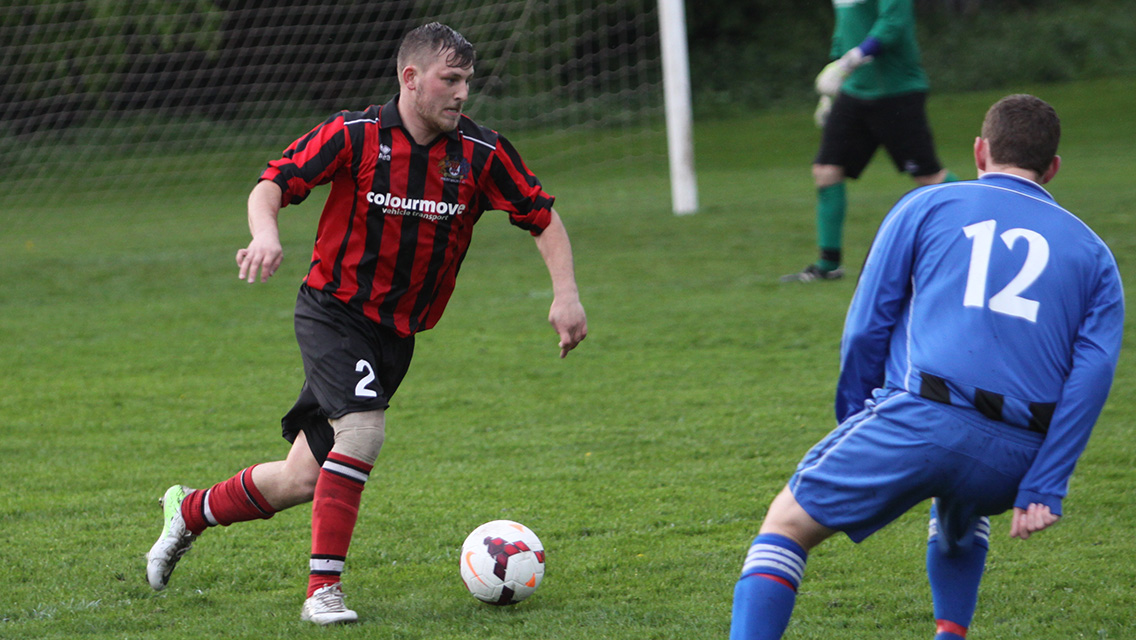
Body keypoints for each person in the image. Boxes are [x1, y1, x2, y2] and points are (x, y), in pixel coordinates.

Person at [145, 22, 587, 626]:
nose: (462, 93)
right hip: (333, 311)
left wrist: (566, 294)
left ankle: (190, 511)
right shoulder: (355, 135)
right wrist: (265, 234)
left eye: (467, 81)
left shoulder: (481, 154)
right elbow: (272, 183)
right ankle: (322, 592)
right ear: (411, 78)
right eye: (450, 79)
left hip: (396, 336)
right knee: (362, 432)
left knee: (302, 477)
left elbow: (542, 217)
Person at [732, 94, 1124, 639]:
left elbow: (867, 326)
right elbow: (1092, 378)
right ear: (1053, 168)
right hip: (1014, 460)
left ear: (980, 151)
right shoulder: (1095, 254)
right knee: (960, 509)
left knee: (786, 525)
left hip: (920, 421)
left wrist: (856, 415)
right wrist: (1046, 482)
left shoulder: (927, 205)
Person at [782, 0, 958, 282]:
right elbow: (844, 30)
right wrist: (830, 92)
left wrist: (850, 61)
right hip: (854, 92)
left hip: (896, 92)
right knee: (826, 171)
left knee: (928, 176)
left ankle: (988, 216)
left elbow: (893, 24)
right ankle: (828, 265)